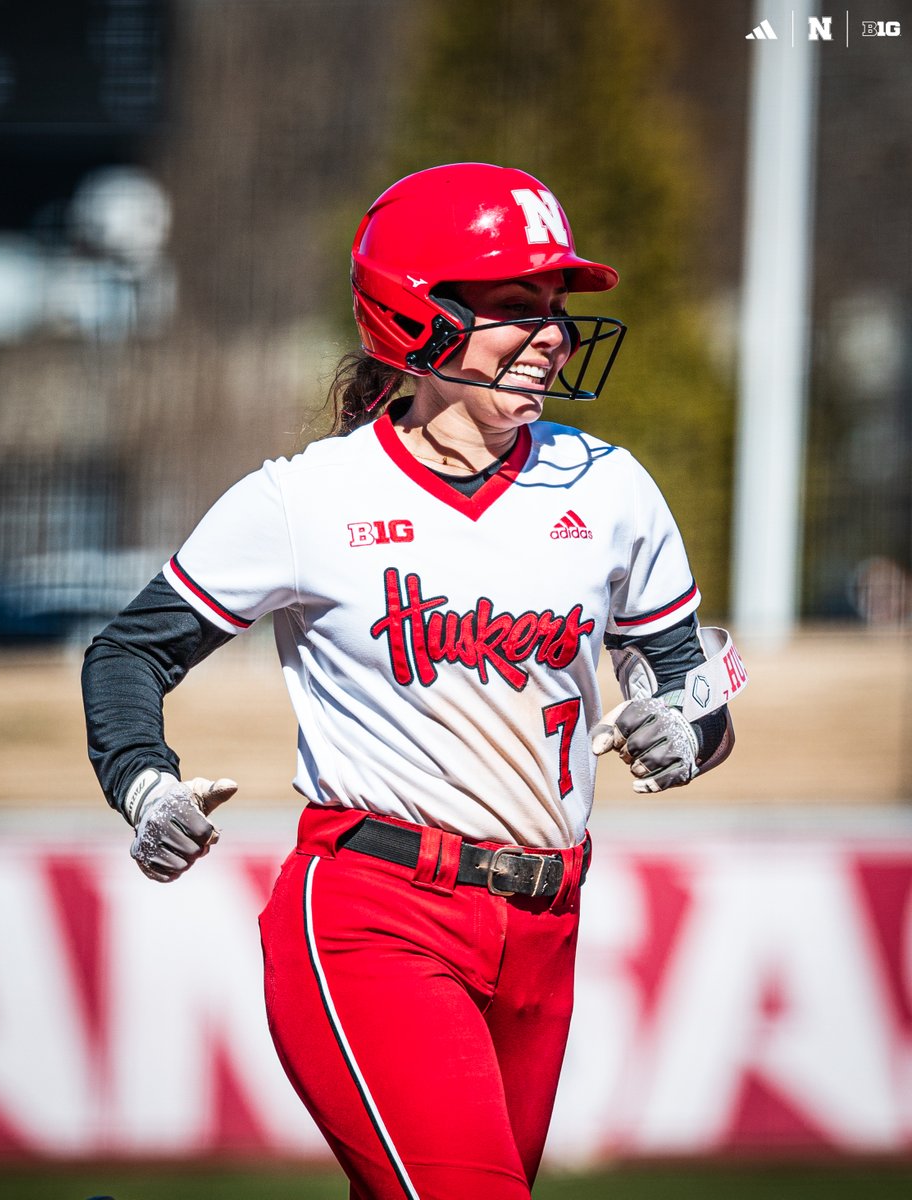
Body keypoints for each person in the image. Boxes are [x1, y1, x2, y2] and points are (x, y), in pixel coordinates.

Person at [82, 162, 744, 1199]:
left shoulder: (608, 486)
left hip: (544, 932)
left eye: (557, 309)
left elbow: (691, 684)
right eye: (514, 307)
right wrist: (144, 781)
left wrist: (690, 728)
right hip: (374, 913)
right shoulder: (310, 500)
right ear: (414, 318)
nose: (553, 336)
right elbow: (128, 653)